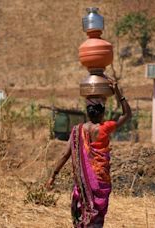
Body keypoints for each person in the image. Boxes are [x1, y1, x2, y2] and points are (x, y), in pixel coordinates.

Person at [45, 80, 132, 227]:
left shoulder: (76, 130)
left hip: (83, 184)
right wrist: (117, 92)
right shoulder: (105, 128)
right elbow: (127, 114)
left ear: (88, 113)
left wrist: (53, 176)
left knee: (82, 214)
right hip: (99, 181)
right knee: (95, 217)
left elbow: (65, 155)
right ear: (103, 112)